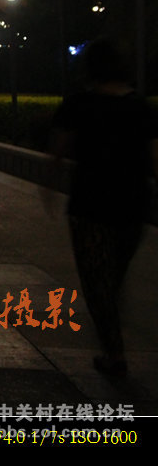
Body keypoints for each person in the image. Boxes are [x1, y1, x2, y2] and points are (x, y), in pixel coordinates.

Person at [51, 39, 158, 377]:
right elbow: (156, 160)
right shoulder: (140, 107)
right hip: (132, 205)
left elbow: (58, 150)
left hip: (90, 205)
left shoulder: (78, 104)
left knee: (98, 280)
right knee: (114, 276)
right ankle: (114, 347)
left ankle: (115, 353)